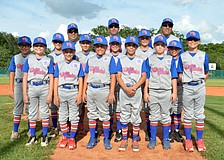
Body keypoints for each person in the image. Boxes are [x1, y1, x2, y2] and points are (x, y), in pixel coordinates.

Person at [83, 36, 117, 150]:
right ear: (94, 47)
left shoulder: (110, 58)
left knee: (104, 115)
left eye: (102, 46)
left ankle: (106, 138)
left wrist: (111, 92)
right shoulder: (90, 59)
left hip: (103, 88)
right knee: (92, 114)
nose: (99, 48)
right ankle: (93, 137)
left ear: (106, 47)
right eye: (97, 46)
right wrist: (84, 91)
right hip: (91, 88)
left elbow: (113, 76)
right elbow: (86, 76)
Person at [177, 30, 209, 152]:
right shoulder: (182, 56)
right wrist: (185, 83)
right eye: (190, 39)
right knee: (189, 114)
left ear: (199, 41)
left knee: (199, 113)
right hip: (187, 86)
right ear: (186, 42)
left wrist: (200, 83)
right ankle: (189, 139)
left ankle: (199, 139)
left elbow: (206, 73)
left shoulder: (203, 55)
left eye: (195, 40)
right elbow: (180, 73)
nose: (192, 42)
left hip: (200, 85)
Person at [144, 35, 178, 150]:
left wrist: (174, 92)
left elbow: (174, 77)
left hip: (166, 91)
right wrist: (145, 91)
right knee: (153, 116)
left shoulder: (170, 59)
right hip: (153, 91)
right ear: (154, 46)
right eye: (157, 45)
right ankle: (153, 139)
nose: (159, 47)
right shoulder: (149, 59)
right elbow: (147, 77)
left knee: (165, 117)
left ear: (165, 47)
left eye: (162, 45)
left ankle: (165, 139)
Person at [117, 36, 147, 152]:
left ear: (136, 47)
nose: (131, 47)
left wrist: (134, 87)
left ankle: (134, 139)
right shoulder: (121, 59)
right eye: (128, 45)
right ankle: (124, 138)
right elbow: (118, 76)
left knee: (136, 114)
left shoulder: (141, 60)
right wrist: (125, 88)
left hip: (136, 89)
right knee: (124, 114)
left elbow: (143, 76)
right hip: (124, 89)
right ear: (125, 47)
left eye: (133, 45)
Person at [22, 37, 54, 147]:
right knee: (32, 113)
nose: (39, 48)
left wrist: (50, 93)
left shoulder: (48, 60)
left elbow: (51, 77)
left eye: (41, 46)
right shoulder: (29, 59)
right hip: (32, 87)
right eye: (36, 46)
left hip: (44, 86)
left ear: (45, 47)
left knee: (45, 112)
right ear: (33, 47)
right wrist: (25, 93)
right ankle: (32, 136)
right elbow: (25, 77)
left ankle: (44, 135)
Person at [54, 41, 84, 150]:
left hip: (73, 90)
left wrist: (80, 94)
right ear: (63, 52)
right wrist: (55, 95)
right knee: (62, 115)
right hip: (61, 90)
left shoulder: (77, 64)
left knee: (74, 115)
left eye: (70, 51)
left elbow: (81, 80)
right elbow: (56, 80)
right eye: (66, 51)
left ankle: (72, 137)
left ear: (74, 52)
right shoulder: (59, 65)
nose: (68, 54)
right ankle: (65, 136)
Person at [8, 36, 32, 141]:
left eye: (26, 45)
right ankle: (15, 131)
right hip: (18, 83)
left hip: (29, 84)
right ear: (19, 46)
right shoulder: (15, 57)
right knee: (18, 107)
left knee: (30, 108)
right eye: (22, 45)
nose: (24, 47)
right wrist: (11, 89)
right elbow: (12, 73)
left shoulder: (33, 57)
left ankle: (30, 130)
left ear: (30, 46)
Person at [135, 29, 154, 141]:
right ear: (139, 39)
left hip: (150, 82)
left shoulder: (153, 51)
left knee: (148, 108)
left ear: (150, 39)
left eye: (147, 38)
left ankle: (149, 130)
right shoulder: (135, 50)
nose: (144, 40)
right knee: (136, 107)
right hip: (137, 83)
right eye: (142, 38)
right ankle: (135, 131)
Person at [75, 34, 95, 135]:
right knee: (79, 104)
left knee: (93, 104)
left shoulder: (94, 55)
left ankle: (95, 127)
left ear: (90, 44)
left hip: (90, 81)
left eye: (87, 43)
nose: (85, 45)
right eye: (83, 43)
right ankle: (79, 124)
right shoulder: (76, 56)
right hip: (79, 81)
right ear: (80, 43)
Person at [108, 35, 126, 142]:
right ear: (109, 45)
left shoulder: (123, 57)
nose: (115, 46)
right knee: (109, 108)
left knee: (119, 108)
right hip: (108, 85)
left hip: (120, 86)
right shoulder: (105, 56)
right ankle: (109, 129)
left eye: (117, 44)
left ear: (120, 45)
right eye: (113, 44)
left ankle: (119, 130)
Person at [48, 33, 64, 138]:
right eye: (56, 42)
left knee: (63, 107)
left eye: (60, 42)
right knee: (53, 107)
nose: (58, 44)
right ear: (53, 43)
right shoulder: (49, 56)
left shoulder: (67, 53)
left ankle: (63, 127)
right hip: (52, 82)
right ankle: (54, 127)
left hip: (62, 83)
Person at [167, 40, 184, 143]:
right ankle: (169, 130)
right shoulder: (166, 59)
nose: (173, 50)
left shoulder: (182, 60)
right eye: (171, 48)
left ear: (179, 49)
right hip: (168, 87)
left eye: (176, 48)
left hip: (179, 86)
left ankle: (176, 131)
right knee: (168, 110)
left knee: (177, 110)